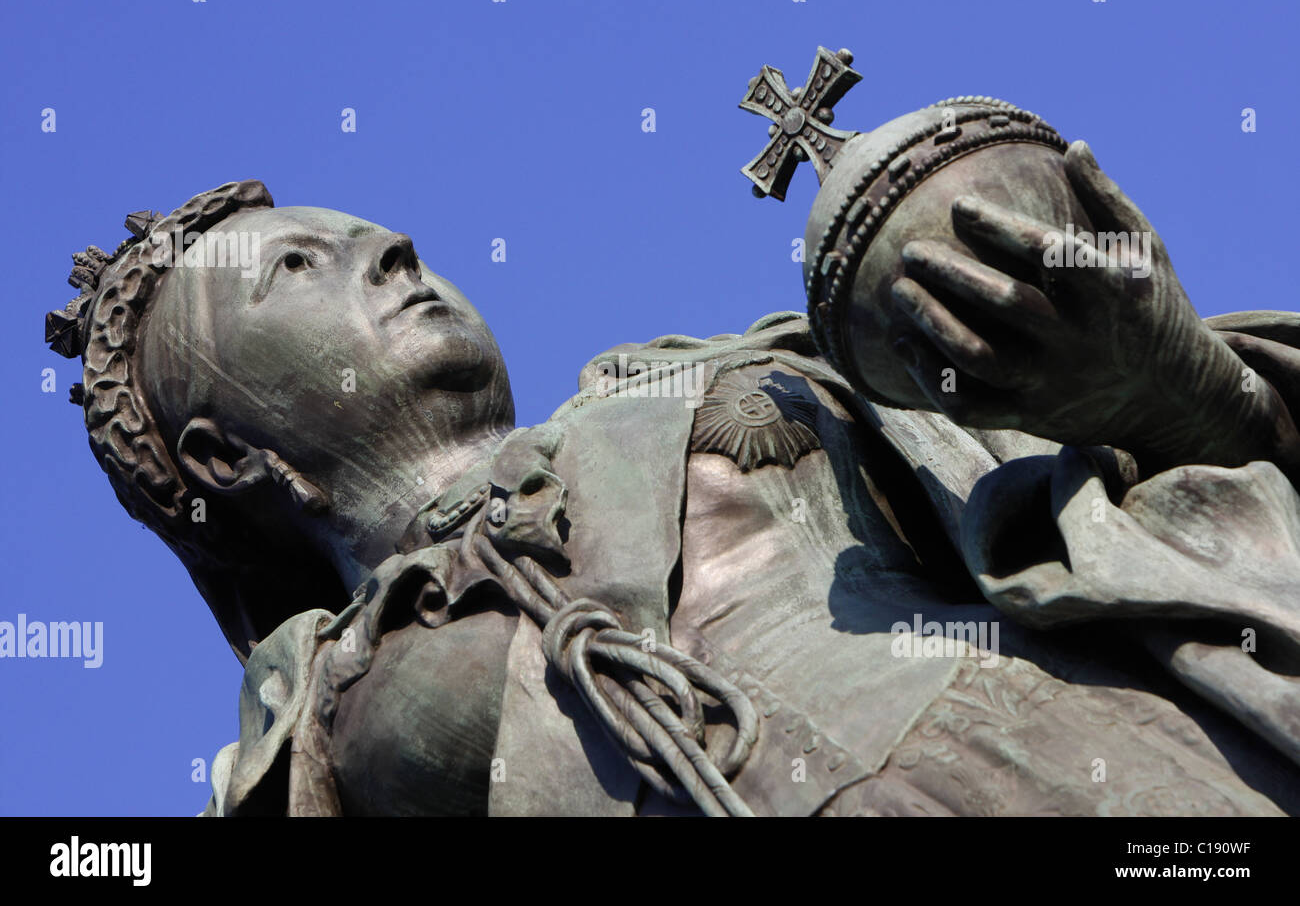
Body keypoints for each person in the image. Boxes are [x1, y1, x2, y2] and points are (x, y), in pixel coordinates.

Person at [46, 161, 1300, 816]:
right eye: (298, 268)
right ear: (223, 459)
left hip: (1095, 768)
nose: (389, 250)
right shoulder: (309, 731)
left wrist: (1162, 381)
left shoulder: (721, 382)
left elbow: (1128, 476)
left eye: (370, 231)